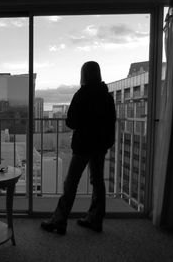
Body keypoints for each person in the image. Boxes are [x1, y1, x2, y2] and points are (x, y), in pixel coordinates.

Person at [41, 61, 116, 235]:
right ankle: (95, 219)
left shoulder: (82, 94)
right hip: (100, 145)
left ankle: (59, 220)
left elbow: (71, 121)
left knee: (71, 183)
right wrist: (107, 141)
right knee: (98, 182)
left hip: (83, 145)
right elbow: (111, 121)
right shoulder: (106, 96)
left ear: (84, 74)